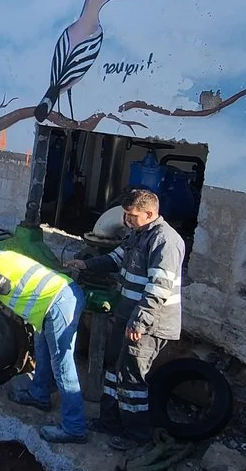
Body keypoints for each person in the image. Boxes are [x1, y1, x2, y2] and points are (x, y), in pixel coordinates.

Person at [63, 188, 184, 450]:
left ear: (150, 214)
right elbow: (116, 259)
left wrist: (139, 322)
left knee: (131, 379)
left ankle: (136, 435)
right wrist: (86, 265)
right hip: (125, 316)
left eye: (132, 216)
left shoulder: (165, 242)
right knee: (112, 368)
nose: (127, 220)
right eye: (126, 215)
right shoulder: (137, 235)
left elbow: (158, 289)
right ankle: (109, 422)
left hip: (148, 324)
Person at [0, 239, 87, 444]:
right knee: (42, 349)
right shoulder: (4, 258)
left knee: (62, 365)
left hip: (58, 303)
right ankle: (39, 395)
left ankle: (74, 427)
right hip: (56, 300)